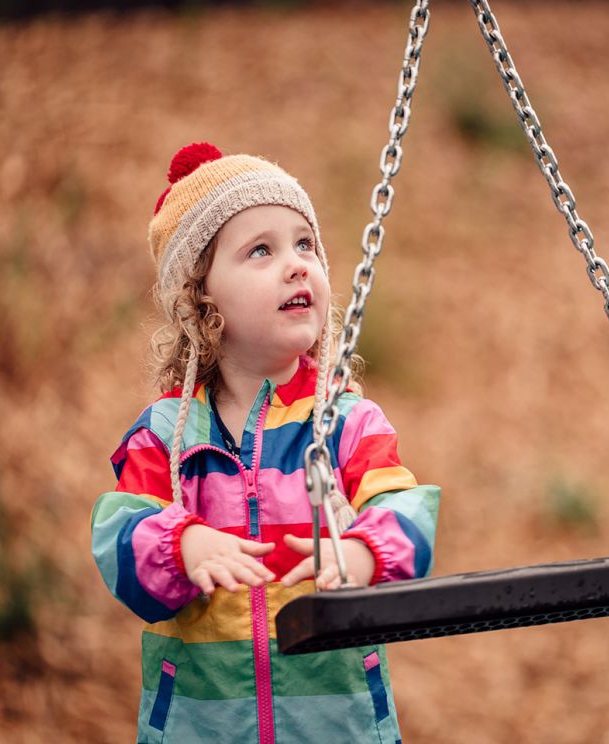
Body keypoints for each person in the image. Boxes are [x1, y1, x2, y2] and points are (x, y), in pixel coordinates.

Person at [90, 142, 440, 744]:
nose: (297, 264)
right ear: (202, 300)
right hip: (202, 725)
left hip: (337, 724)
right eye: (261, 250)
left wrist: (363, 552)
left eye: (305, 244)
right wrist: (183, 542)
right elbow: (119, 538)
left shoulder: (346, 422)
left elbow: (407, 510)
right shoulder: (167, 439)